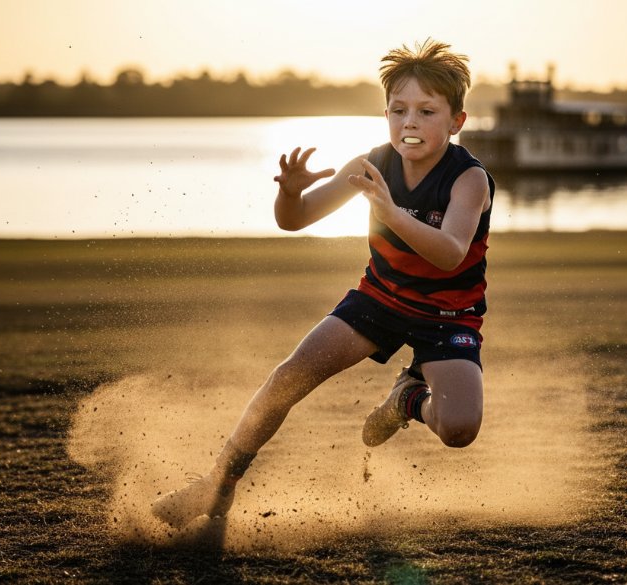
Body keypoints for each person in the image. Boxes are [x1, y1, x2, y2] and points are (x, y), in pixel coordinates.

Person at [152, 39, 495, 529]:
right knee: (286, 378)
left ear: (456, 121)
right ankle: (217, 483)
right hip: (379, 299)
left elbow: (450, 252)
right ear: (386, 115)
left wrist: (391, 213)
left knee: (460, 429)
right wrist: (289, 194)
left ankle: (408, 399)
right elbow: (296, 219)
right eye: (399, 110)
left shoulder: (469, 179)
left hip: (448, 315)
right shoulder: (369, 165)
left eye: (425, 111)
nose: (410, 123)